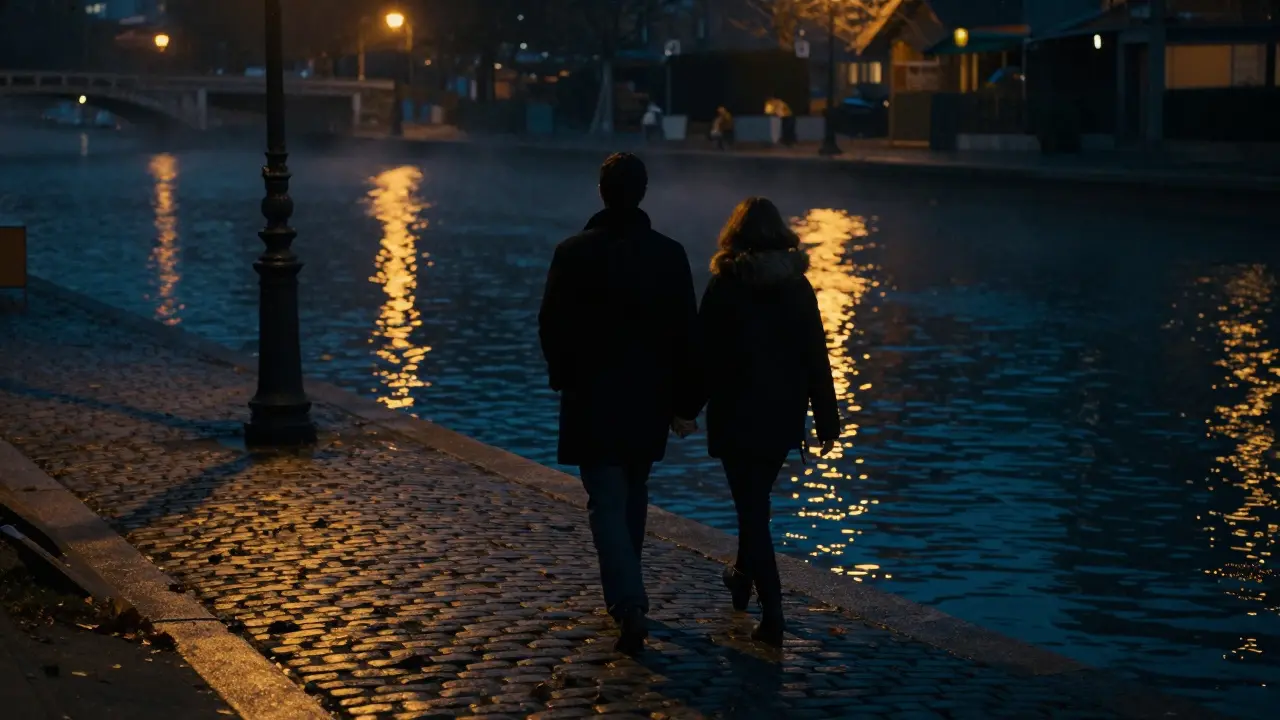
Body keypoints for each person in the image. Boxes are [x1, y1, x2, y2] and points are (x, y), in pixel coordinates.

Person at [538, 153, 701, 655]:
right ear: (643, 193)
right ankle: (629, 588)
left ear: (602, 192)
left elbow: (552, 325)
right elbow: (686, 337)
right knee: (632, 491)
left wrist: (563, 376)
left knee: (606, 498)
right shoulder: (669, 255)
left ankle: (629, 603)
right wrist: (685, 403)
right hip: (648, 398)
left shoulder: (572, 253)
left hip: (592, 396)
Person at [694, 197, 839, 647]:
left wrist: (684, 405)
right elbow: (816, 355)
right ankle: (740, 577)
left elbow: (705, 357)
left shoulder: (726, 284)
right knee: (754, 504)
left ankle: (772, 611)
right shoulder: (797, 287)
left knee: (752, 509)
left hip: (737, 415)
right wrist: (827, 418)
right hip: (780, 418)